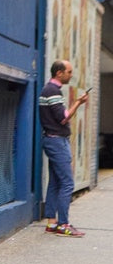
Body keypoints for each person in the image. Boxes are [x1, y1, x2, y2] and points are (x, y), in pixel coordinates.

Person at [38, 59, 90, 237]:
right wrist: (78, 102)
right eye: (69, 71)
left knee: (55, 182)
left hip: (52, 140)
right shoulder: (52, 91)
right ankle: (63, 224)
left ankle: (51, 222)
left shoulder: (49, 90)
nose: (71, 74)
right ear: (59, 73)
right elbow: (63, 118)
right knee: (67, 183)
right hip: (57, 142)